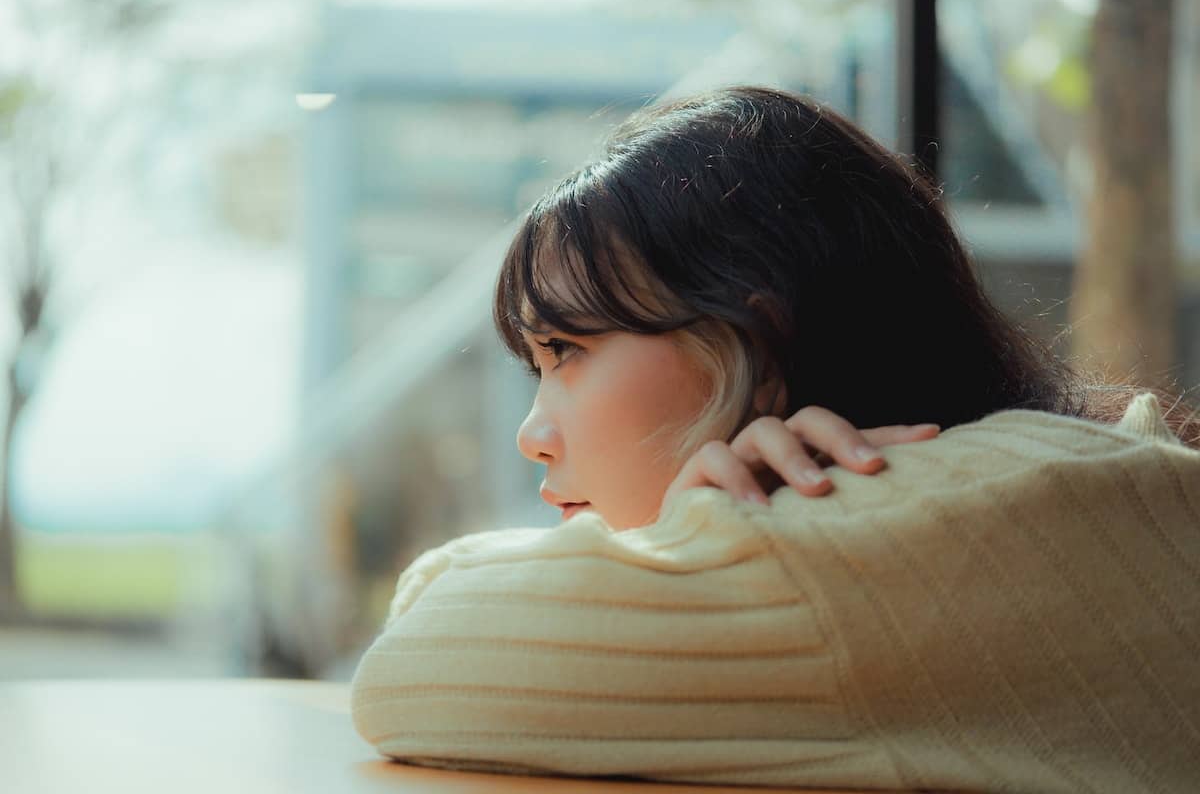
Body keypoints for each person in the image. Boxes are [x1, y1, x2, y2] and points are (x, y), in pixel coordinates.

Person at [351, 87, 1200, 793]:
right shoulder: (1017, 483)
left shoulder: (841, 547)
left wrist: (700, 546)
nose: (533, 435)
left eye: (568, 350)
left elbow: (409, 668)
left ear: (757, 347)